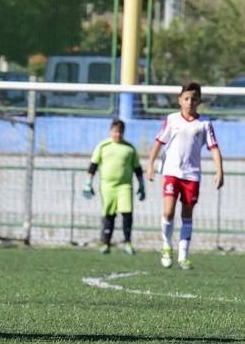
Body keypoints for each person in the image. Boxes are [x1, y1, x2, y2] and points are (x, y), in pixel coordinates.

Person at [146, 82, 223, 270]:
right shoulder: (172, 119)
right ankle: (166, 246)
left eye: (194, 99)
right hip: (172, 172)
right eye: (186, 98)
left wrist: (219, 170)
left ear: (199, 102)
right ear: (180, 100)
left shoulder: (204, 123)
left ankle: (183, 255)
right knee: (168, 212)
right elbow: (158, 142)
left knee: (187, 214)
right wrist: (150, 165)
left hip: (192, 175)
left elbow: (213, 148)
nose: (190, 102)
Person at [83, 119, 145, 255]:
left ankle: (127, 242)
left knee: (127, 212)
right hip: (107, 186)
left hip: (125, 186)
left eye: (120, 132)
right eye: (115, 131)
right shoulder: (103, 146)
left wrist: (142, 186)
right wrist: (88, 183)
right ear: (111, 131)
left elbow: (137, 169)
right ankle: (106, 243)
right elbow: (93, 166)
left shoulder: (129, 148)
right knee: (109, 213)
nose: (118, 134)